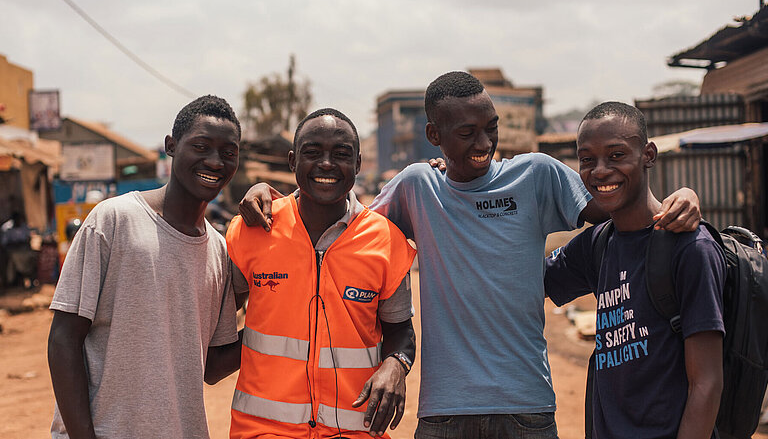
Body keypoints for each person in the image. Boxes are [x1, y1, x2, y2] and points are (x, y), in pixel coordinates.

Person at [239, 72, 701, 438]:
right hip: (443, 412)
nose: (484, 144)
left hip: (527, 407)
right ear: (434, 134)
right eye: (467, 133)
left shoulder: (537, 175)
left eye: (490, 128)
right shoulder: (417, 186)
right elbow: (342, 221)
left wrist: (677, 200)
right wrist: (271, 197)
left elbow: (616, 202)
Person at [47, 95, 245, 439]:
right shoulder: (114, 220)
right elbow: (63, 339)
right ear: (171, 146)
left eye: (228, 153)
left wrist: (277, 320)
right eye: (201, 146)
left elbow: (211, 367)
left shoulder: (218, 251)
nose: (215, 162)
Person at [226, 108, 417, 439]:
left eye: (341, 154)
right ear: (292, 161)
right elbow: (216, 327)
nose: (326, 164)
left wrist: (395, 364)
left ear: (358, 164)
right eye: (312, 153)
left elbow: (401, 331)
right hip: (263, 432)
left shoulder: (387, 241)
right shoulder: (252, 231)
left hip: (355, 432)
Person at [545, 102, 724, 438]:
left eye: (616, 155)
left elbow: (707, 383)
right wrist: (454, 177)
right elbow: (519, 280)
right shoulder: (596, 245)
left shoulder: (690, 247)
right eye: (587, 159)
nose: (599, 170)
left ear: (649, 155)